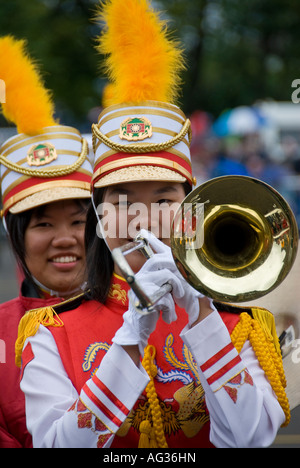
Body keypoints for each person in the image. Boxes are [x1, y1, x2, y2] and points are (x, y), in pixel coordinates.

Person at [16, 0, 290, 448]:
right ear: (99, 218)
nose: (143, 221)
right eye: (122, 202)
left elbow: (249, 439)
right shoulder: (50, 330)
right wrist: (129, 337)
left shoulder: (245, 325)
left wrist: (202, 318)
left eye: (163, 200)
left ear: (190, 212)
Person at [0, 36, 93, 447]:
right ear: (16, 240)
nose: (64, 239)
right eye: (42, 225)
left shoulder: (143, 314)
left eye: (78, 220)